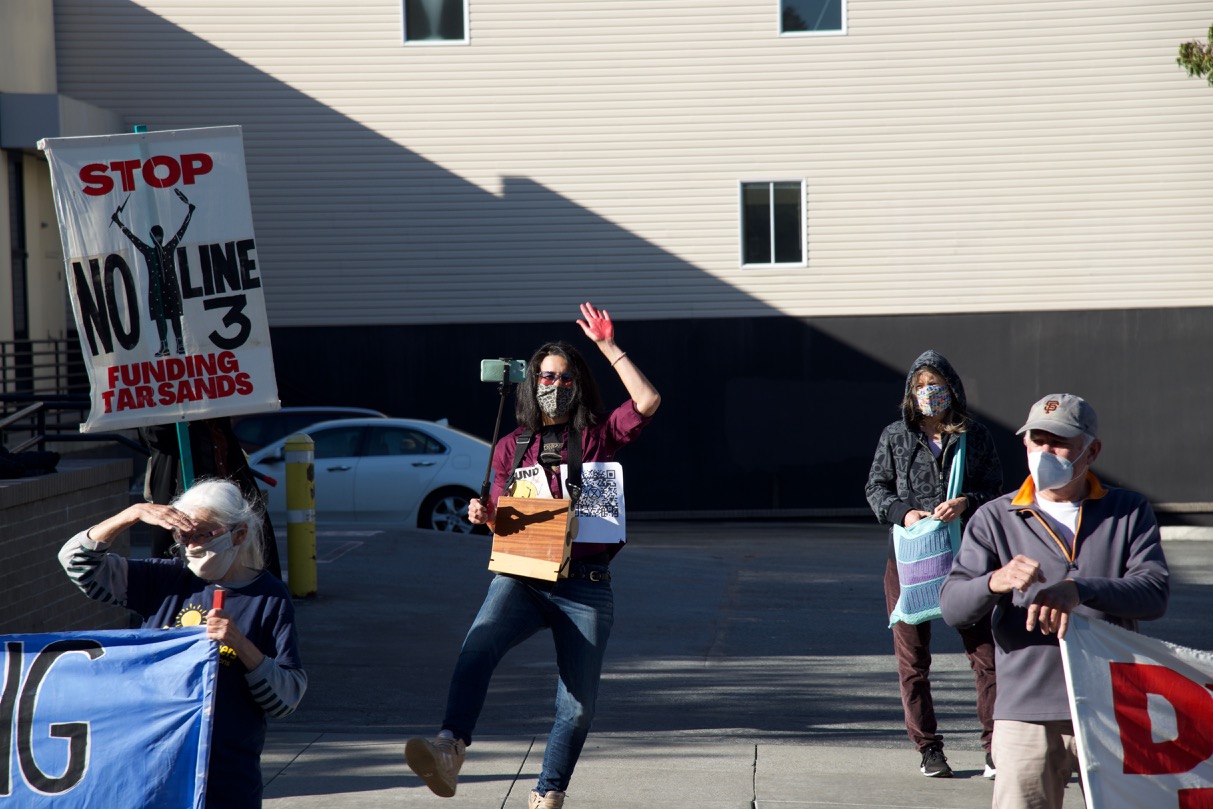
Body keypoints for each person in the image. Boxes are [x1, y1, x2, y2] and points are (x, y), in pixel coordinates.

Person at [404, 302, 660, 809]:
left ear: (578, 385)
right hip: (522, 576)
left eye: (565, 379)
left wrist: (608, 346)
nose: (555, 386)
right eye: (546, 376)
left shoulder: (595, 436)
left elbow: (648, 400)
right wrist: (484, 515)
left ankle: (548, 794)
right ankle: (449, 747)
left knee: (577, 706)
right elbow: (503, 517)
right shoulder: (510, 447)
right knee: (477, 647)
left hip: (586, 583)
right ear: (531, 382)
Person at [940, 394, 1169, 809]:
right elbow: (953, 607)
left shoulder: (1128, 510)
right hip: (1025, 712)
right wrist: (994, 581)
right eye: (1036, 441)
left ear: (1091, 450)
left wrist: (1080, 589)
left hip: (1114, 708)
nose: (1045, 453)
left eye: (1058, 442)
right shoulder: (995, 517)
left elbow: (1153, 593)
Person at [58, 478, 306, 808]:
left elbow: (287, 697)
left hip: (226, 774)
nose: (190, 544)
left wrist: (240, 644)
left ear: (239, 534)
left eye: (202, 533)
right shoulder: (164, 579)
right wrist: (130, 515)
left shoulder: (268, 597)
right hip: (155, 768)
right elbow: (76, 563)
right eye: (182, 534)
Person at [864, 350, 1004, 778]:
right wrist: (902, 513)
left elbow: (995, 488)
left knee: (985, 655)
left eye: (936, 385)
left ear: (952, 389)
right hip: (909, 560)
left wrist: (965, 502)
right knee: (912, 659)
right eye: (921, 385)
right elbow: (875, 487)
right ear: (911, 393)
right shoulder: (895, 436)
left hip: (966, 556)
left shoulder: (973, 436)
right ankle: (929, 749)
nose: (929, 393)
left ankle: (996, 747)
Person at [138, 417, 283, 578]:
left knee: (246, 562)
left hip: (229, 506)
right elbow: (154, 435)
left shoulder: (218, 421)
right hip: (195, 508)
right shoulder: (174, 427)